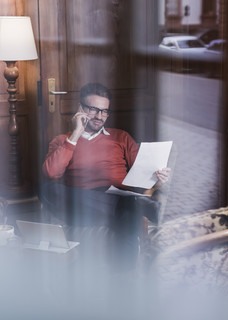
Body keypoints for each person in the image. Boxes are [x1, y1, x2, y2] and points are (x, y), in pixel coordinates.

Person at [40, 82, 171, 271]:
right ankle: (140, 206)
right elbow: (51, 172)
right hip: (82, 205)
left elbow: (143, 173)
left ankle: (124, 282)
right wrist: (76, 133)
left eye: (104, 111)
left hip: (119, 198)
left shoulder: (121, 137)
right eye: (93, 110)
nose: (100, 116)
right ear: (80, 109)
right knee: (47, 189)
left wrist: (158, 176)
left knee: (126, 208)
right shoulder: (63, 140)